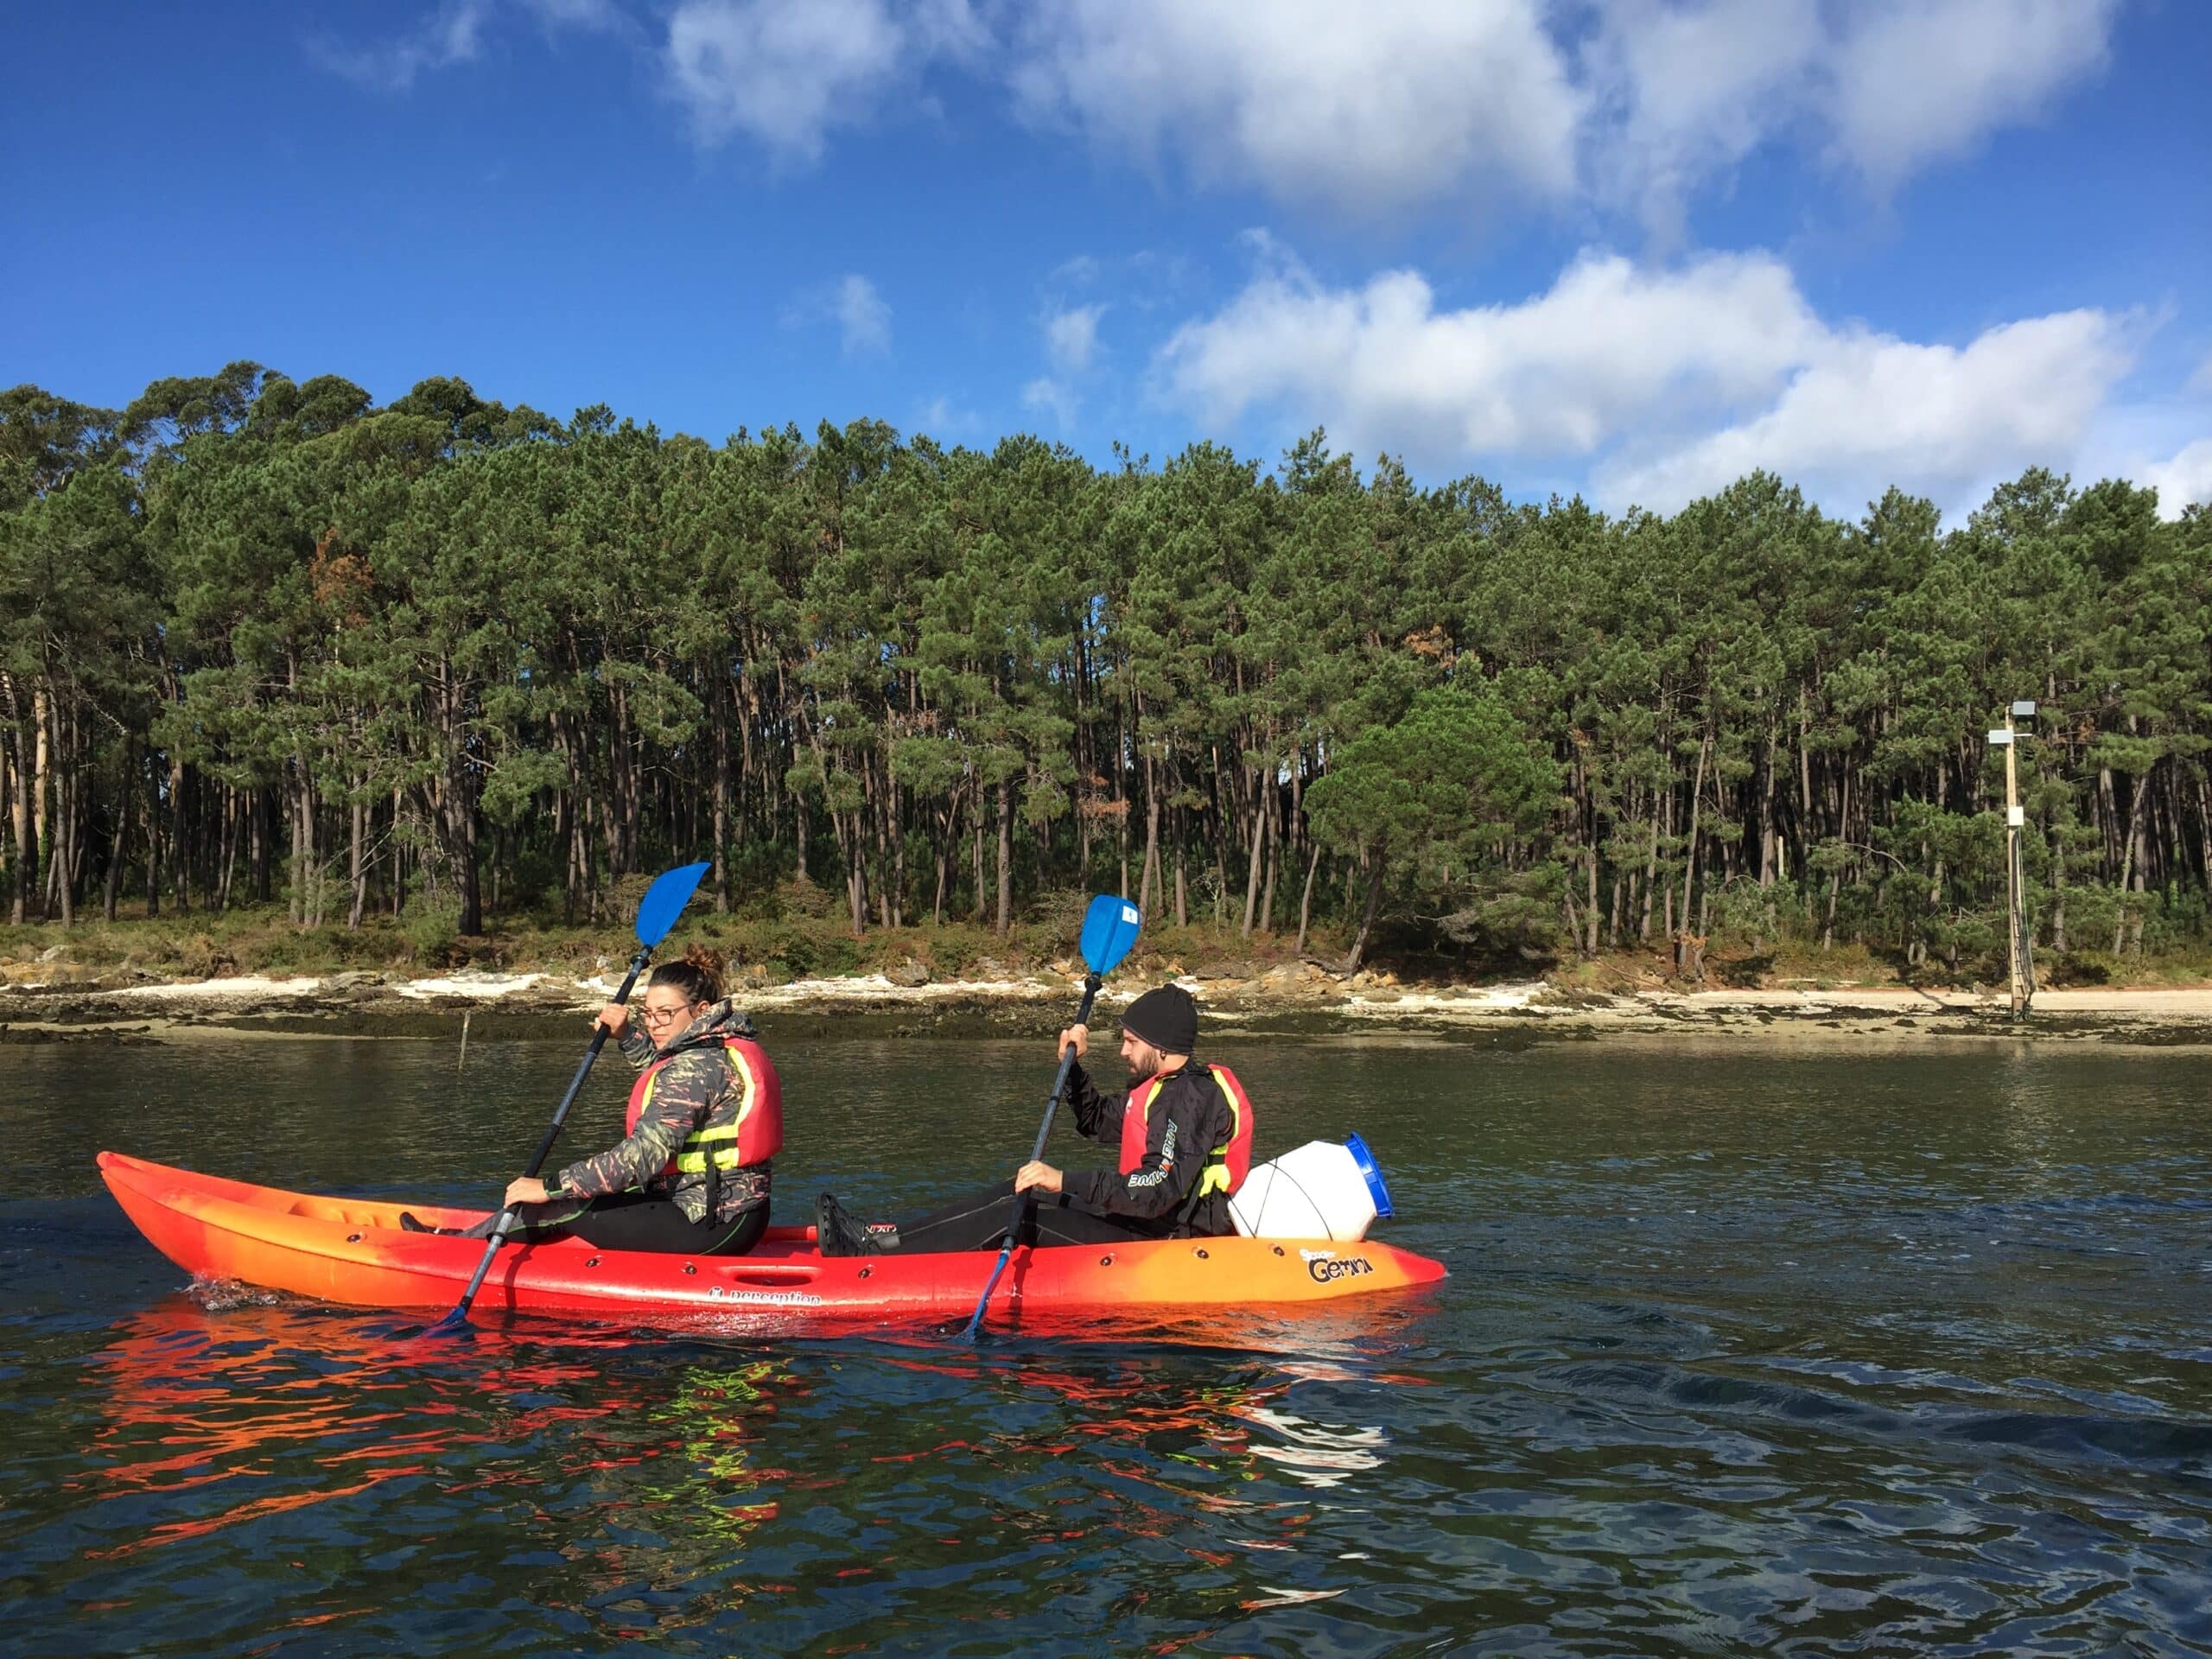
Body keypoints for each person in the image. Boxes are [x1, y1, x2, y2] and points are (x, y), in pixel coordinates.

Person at [815, 983, 1252, 1255]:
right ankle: (886, 1238)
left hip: (1164, 1238)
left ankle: (875, 1256)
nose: (1122, 1051)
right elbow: (1098, 1121)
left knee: (1024, 1214)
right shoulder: (1159, 1087)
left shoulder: (1192, 1098)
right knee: (1018, 1188)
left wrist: (1064, 1180)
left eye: (1130, 1042)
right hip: (1138, 1220)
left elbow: (1157, 1191)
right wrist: (1073, 1068)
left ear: (1159, 1045)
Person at [402, 945, 781, 1255]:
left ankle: (454, 1250)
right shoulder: (718, 1044)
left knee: (567, 1203)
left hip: (710, 1223)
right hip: (737, 1212)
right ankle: (472, 1237)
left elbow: (642, 1157)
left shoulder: (694, 1066)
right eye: (648, 1014)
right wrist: (627, 1034)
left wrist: (549, 1186)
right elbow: (667, 1072)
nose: (653, 1023)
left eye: (665, 1014)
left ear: (699, 1012)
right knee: (588, 1195)